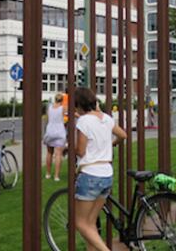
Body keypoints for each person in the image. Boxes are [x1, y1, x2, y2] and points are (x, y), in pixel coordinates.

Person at [74, 87, 127, 251]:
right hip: (107, 174)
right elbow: (123, 135)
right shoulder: (106, 118)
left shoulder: (83, 122)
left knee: (80, 223)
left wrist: (70, 148)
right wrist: (111, 144)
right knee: (90, 223)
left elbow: (81, 151)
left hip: (90, 174)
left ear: (79, 105)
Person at [43, 94, 67, 181]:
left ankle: (48, 173)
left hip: (50, 130)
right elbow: (67, 116)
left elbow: (47, 118)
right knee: (58, 154)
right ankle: (56, 176)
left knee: (49, 153)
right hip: (59, 130)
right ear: (62, 100)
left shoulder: (49, 107)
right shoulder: (63, 108)